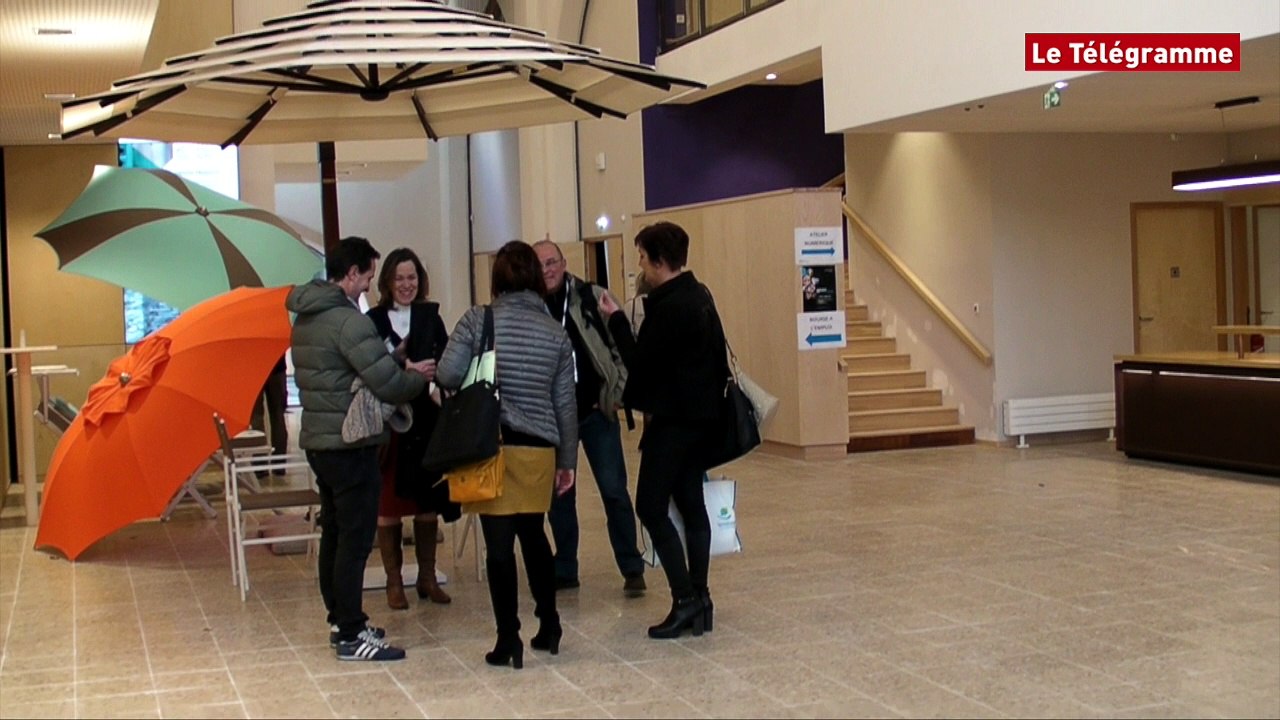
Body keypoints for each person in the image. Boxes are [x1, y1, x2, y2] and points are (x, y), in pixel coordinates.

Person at [287, 236, 431, 662]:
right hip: (350, 443)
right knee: (354, 538)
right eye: (367, 278)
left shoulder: (307, 316)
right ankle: (351, 635)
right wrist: (419, 377)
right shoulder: (348, 321)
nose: (367, 287)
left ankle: (340, 617)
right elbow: (385, 381)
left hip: (320, 440)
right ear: (350, 274)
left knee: (334, 530)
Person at [436, 240, 577, 670]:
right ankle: (549, 623)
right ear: (536, 278)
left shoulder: (479, 320)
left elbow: (447, 372)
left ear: (497, 279)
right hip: (538, 450)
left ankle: (508, 640)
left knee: (499, 547)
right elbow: (565, 403)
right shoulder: (556, 332)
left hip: (491, 445)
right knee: (534, 536)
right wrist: (567, 460)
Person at [598, 222, 726, 640]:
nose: (639, 265)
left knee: (650, 506)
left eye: (641, 257)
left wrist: (616, 319)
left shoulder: (668, 305)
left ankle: (685, 599)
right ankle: (702, 598)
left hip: (673, 424)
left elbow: (641, 364)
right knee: (691, 504)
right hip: (702, 421)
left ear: (658, 260)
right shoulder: (700, 294)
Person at [532, 240, 646, 597]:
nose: (547, 270)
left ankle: (631, 566)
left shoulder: (590, 296)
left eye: (552, 262)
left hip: (596, 413)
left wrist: (615, 395)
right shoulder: (531, 306)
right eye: (540, 265)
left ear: (564, 263)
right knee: (560, 497)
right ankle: (565, 567)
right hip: (554, 418)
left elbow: (620, 345)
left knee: (614, 491)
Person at [365, 248, 460, 609]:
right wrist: (404, 371)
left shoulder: (430, 317)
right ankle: (394, 582)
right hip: (392, 422)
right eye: (399, 278)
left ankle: (426, 577)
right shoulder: (373, 320)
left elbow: (448, 358)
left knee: (426, 502)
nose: (406, 284)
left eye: (412, 277)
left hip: (427, 418)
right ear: (388, 281)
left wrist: (438, 378)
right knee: (388, 504)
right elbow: (370, 368)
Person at [250, 355, 289, 477]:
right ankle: (279, 463)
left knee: (256, 416)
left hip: (254, 367)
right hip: (277, 367)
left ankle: (260, 464)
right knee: (278, 415)